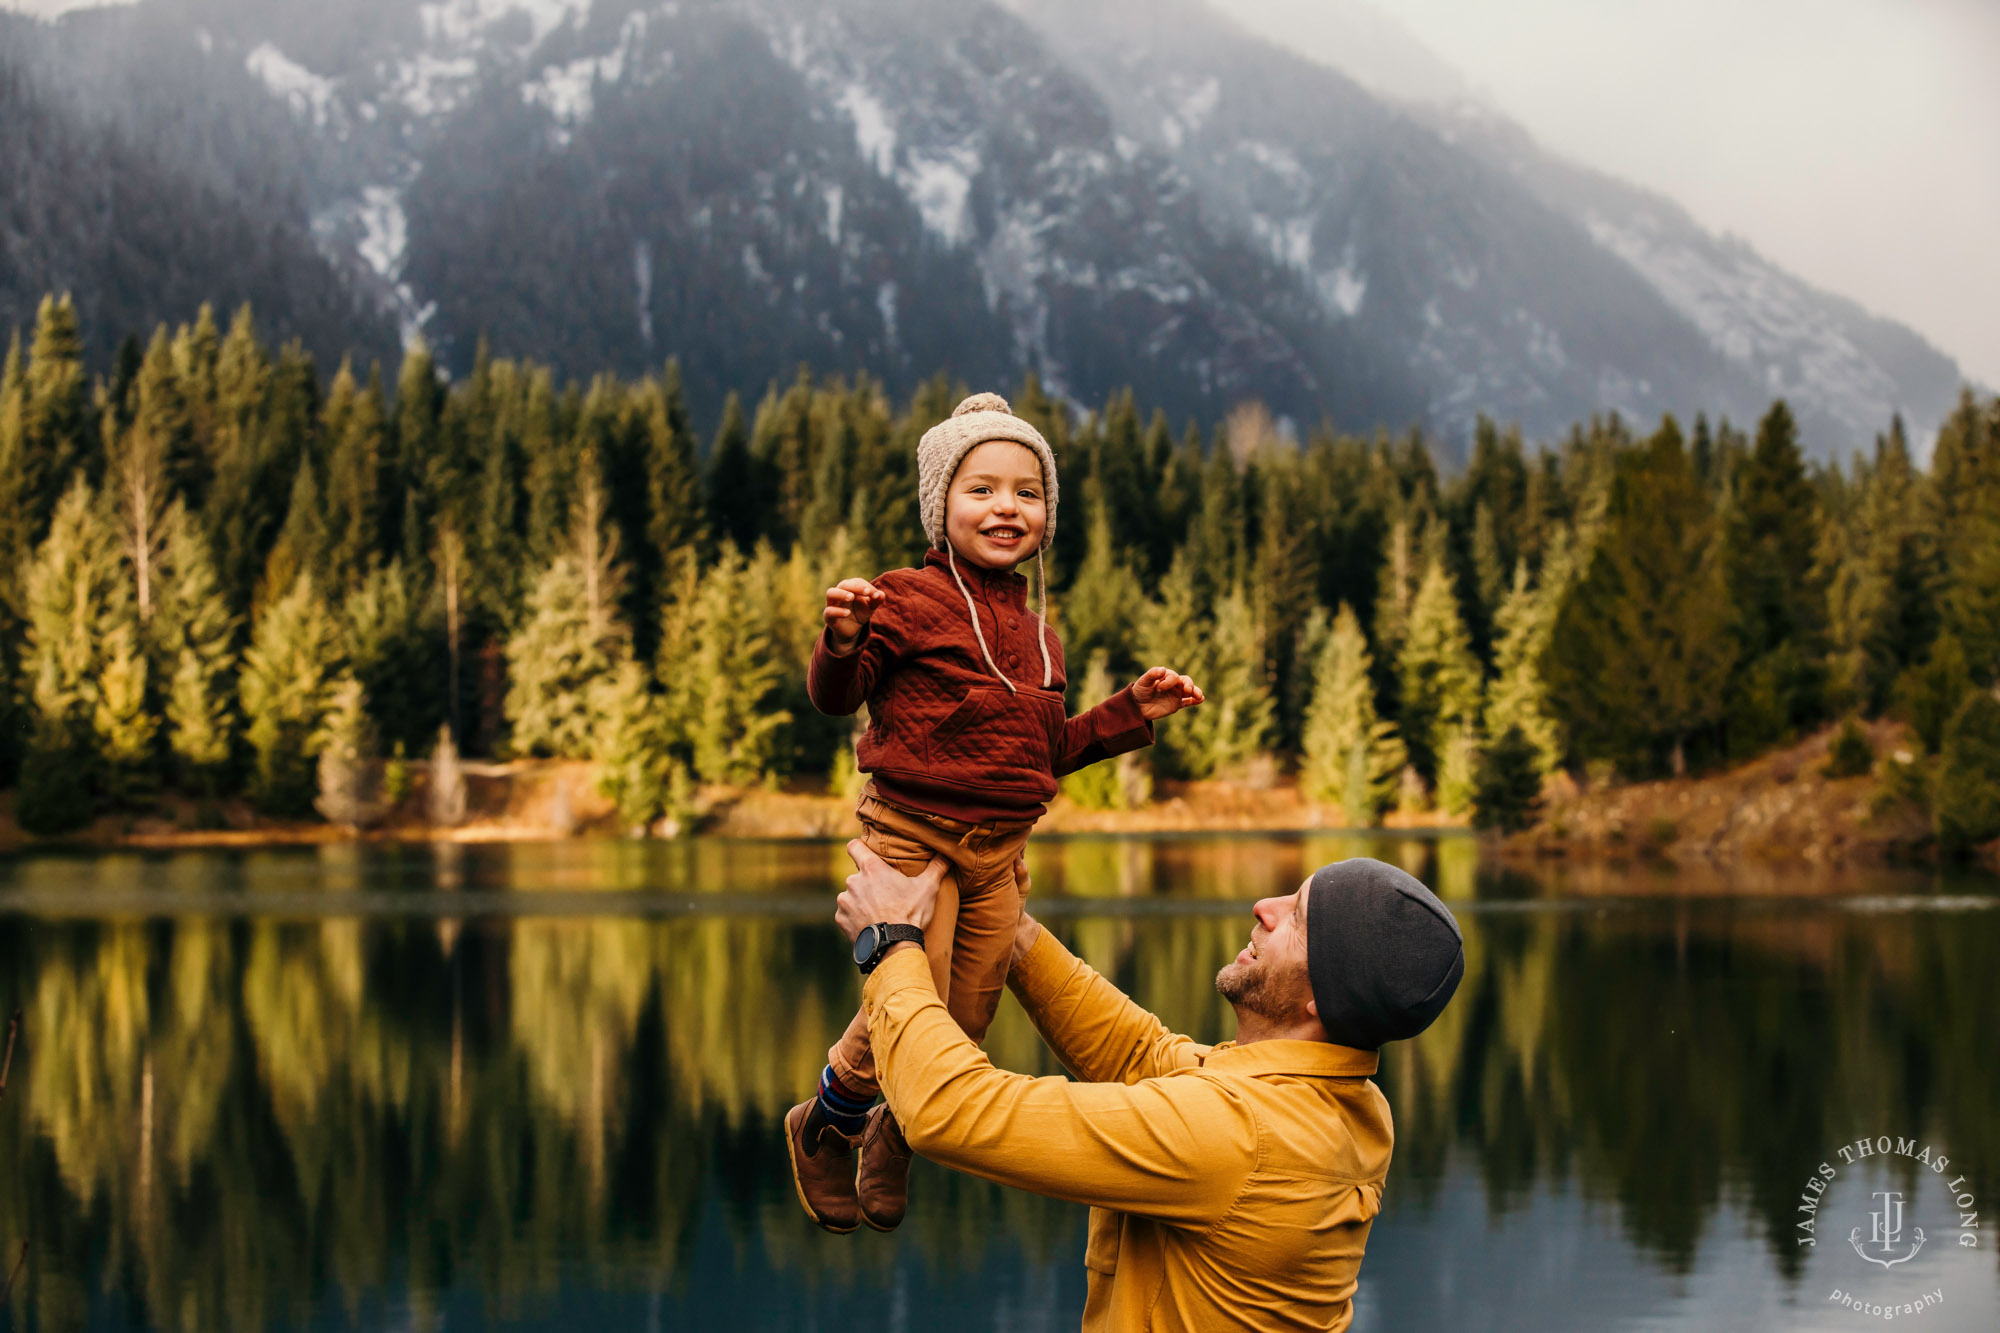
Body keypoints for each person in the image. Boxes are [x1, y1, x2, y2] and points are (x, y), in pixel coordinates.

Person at [786, 391, 1206, 1234]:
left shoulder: (1042, 637)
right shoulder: (903, 597)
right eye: (981, 489)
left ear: (1048, 515)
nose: (1007, 506)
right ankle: (828, 1121)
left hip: (999, 852)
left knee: (967, 1021)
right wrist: (841, 642)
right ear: (940, 504)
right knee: (915, 999)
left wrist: (1128, 713)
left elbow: (1038, 753)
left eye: (1027, 491)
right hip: (914, 835)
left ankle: (894, 1133)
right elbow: (839, 699)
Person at [834, 846, 1465, 1333]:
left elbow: (950, 1111)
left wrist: (889, 941)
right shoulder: (1339, 1099)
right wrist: (1008, 927)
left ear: (1318, 999)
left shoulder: (1242, 1138)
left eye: (1294, 919)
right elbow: (1140, 1054)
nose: (1263, 908)